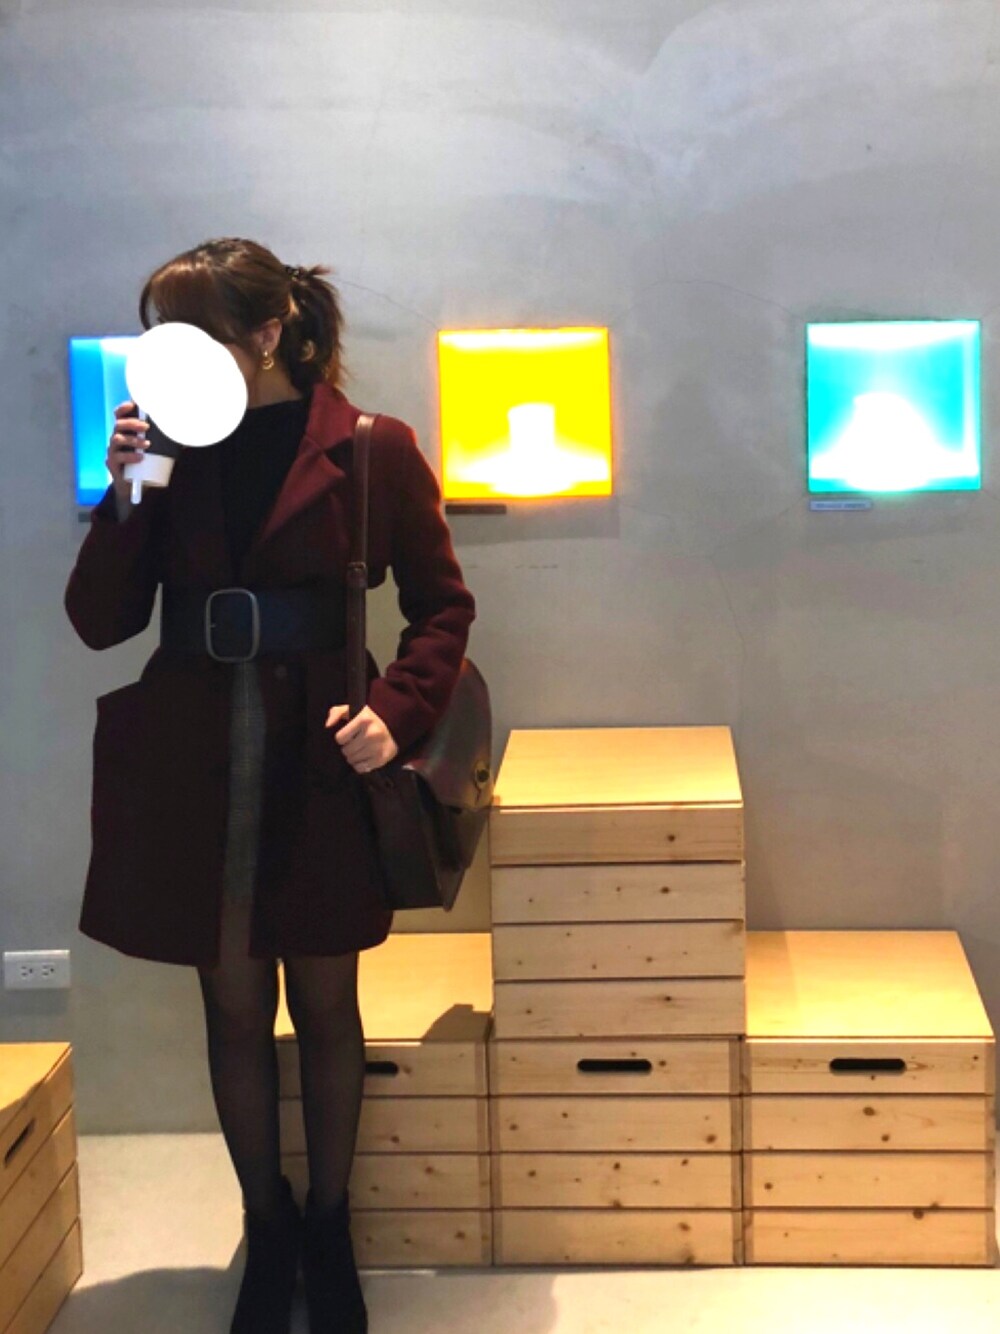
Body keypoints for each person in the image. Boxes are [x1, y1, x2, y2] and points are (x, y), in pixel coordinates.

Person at [64, 237, 477, 1334]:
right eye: (157, 334)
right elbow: (100, 619)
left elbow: (442, 606)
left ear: (267, 331)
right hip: (197, 762)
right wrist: (125, 489)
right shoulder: (168, 451)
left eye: (190, 332)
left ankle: (329, 1227)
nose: (168, 355)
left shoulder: (373, 448)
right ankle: (269, 1222)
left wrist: (395, 714)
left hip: (320, 759)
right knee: (233, 1007)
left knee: (327, 1005)